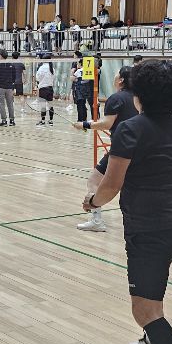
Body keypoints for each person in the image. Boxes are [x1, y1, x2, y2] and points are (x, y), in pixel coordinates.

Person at [84, 60, 172, 344]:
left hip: (149, 232)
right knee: (153, 292)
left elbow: (111, 184)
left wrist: (92, 202)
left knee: (145, 311)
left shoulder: (130, 129)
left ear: (139, 96)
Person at [72, 66, 139, 232]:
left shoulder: (116, 98)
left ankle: (96, 220)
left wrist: (85, 124)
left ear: (121, 80)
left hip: (122, 149)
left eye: (117, 74)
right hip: (141, 148)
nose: (114, 76)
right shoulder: (139, 97)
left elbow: (107, 123)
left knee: (94, 180)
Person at [0, 50, 18, 127]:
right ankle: (12, 121)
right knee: (10, 104)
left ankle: (4, 121)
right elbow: (14, 78)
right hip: (9, 88)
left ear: (1, 56)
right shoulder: (12, 66)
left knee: (1, 104)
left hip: (0, 88)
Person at [35, 56, 55, 126]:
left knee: (43, 106)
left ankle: (43, 121)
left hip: (43, 89)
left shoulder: (41, 68)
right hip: (50, 89)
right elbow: (53, 78)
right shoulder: (52, 68)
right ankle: (51, 121)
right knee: (50, 105)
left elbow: (37, 78)